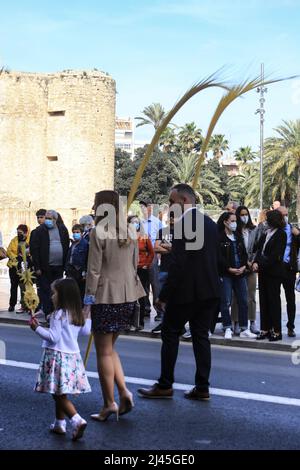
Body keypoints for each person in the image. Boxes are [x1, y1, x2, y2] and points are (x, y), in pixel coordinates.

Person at [138, 183, 220, 401]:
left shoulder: (183, 226)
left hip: (186, 292)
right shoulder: (210, 224)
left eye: (172, 202)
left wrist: (163, 296)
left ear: (184, 201)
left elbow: (179, 265)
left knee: (170, 332)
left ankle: (165, 384)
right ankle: (202, 386)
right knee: (201, 337)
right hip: (209, 290)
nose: (170, 206)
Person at [84, 190, 145, 421]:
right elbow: (135, 264)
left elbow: (94, 270)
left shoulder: (98, 232)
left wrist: (87, 301)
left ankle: (109, 403)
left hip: (105, 296)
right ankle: (123, 391)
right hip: (128, 296)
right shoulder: (130, 230)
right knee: (110, 349)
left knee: (103, 352)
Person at [30, 278, 91, 440]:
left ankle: (77, 420)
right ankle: (59, 423)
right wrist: (89, 312)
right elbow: (85, 331)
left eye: (54, 293)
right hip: (72, 359)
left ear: (63, 296)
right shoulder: (76, 314)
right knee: (60, 392)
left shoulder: (59, 314)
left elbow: (53, 336)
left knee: (58, 395)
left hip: (56, 358)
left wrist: (37, 328)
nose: (52, 296)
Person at [217, 212, 256, 340]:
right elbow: (219, 257)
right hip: (226, 274)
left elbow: (244, 254)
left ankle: (245, 328)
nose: (234, 223)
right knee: (226, 301)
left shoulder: (238, 236)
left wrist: (244, 266)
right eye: (232, 221)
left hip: (240, 273)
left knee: (243, 300)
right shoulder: (220, 237)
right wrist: (229, 269)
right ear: (225, 222)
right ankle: (227, 327)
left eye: (235, 221)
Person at [253, 210, 287, 341]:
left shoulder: (281, 234)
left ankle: (277, 331)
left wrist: (259, 264)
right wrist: (255, 261)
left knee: (273, 301)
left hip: (273, 273)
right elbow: (258, 250)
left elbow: (275, 256)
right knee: (264, 301)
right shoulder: (266, 233)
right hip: (263, 272)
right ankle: (265, 329)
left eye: (268, 219)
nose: (265, 222)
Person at [30, 210, 70, 319]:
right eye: (46, 218)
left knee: (57, 291)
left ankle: (55, 312)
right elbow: (35, 250)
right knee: (45, 290)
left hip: (59, 267)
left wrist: (65, 266)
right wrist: (37, 267)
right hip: (44, 268)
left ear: (55, 219)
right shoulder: (39, 231)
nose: (47, 220)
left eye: (49, 218)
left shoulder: (62, 229)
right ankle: (47, 312)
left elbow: (66, 247)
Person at [232, 206, 259, 335]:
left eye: (246, 214)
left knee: (251, 296)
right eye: (242, 214)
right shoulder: (235, 231)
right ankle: (236, 322)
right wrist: (244, 263)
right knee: (237, 296)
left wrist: (253, 262)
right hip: (239, 267)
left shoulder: (253, 230)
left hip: (251, 267)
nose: (244, 217)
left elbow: (257, 247)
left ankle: (252, 321)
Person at [276, 206, 300, 337]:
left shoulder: (292, 229)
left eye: (286, 214)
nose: (285, 217)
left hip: (289, 268)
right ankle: (276, 327)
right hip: (275, 268)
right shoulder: (272, 230)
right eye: (282, 214)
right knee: (275, 298)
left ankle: (290, 326)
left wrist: (299, 234)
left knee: (290, 299)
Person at [128, 215, 154, 330]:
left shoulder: (144, 237)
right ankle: (129, 322)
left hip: (141, 269)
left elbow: (151, 253)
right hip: (129, 269)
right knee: (129, 296)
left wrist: (146, 265)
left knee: (141, 295)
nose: (135, 224)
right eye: (133, 222)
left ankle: (140, 322)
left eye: (137, 222)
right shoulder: (126, 237)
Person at [152, 213, 175, 334]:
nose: (172, 219)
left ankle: (170, 323)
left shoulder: (183, 232)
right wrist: (172, 247)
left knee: (174, 298)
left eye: (174, 216)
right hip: (164, 269)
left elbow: (183, 249)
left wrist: (165, 246)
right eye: (170, 216)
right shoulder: (162, 231)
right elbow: (156, 248)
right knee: (161, 297)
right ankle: (164, 321)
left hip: (176, 270)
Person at [139, 200, 162, 316]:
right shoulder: (139, 222)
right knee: (143, 283)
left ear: (150, 208)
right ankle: (146, 308)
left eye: (146, 206)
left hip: (153, 255)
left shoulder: (157, 222)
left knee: (155, 283)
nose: (143, 209)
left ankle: (159, 310)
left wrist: (158, 254)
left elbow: (162, 238)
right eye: (142, 207)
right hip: (142, 255)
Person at [6, 224, 31, 313]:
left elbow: (30, 252)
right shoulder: (14, 240)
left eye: (20, 233)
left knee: (24, 287)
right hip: (13, 266)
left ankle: (25, 305)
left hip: (24, 267)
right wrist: (15, 258)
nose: (18, 234)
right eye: (17, 232)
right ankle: (12, 305)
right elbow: (9, 251)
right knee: (13, 286)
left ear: (25, 233)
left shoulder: (29, 240)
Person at [65, 225, 89, 304]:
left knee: (80, 291)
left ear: (82, 233)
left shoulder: (85, 244)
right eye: (74, 232)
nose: (75, 234)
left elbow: (86, 259)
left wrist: (85, 272)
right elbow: (69, 256)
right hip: (71, 270)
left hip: (79, 271)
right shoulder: (73, 244)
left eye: (78, 232)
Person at [29, 209, 47, 315]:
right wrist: (37, 267)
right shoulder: (35, 232)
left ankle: (47, 308)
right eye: (38, 217)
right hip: (39, 266)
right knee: (40, 288)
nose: (40, 219)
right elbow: (33, 251)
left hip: (50, 265)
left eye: (42, 217)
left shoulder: (52, 231)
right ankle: (40, 307)